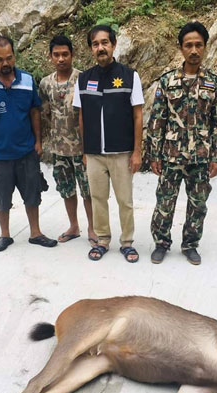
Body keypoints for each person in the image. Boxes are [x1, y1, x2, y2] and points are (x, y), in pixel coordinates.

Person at [147, 22, 217, 265]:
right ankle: (161, 243)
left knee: (198, 205)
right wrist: (154, 155)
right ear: (181, 49)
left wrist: (216, 157)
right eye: (188, 45)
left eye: (198, 45)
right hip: (171, 155)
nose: (193, 50)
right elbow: (157, 119)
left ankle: (190, 245)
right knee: (165, 202)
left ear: (205, 47)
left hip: (201, 157)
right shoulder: (167, 81)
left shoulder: (214, 82)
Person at [0, 35, 57, 252]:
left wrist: (38, 141)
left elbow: (34, 112)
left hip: (27, 150)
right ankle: (5, 235)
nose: (6, 63)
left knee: (32, 192)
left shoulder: (27, 81)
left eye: (9, 58)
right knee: (1, 196)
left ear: (14, 56)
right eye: (0, 59)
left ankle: (35, 233)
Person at [73, 25, 144, 263]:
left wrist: (137, 152)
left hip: (122, 153)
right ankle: (102, 240)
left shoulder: (129, 75)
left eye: (105, 42)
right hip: (94, 153)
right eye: (95, 44)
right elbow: (81, 117)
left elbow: (138, 115)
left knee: (125, 200)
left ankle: (127, 242)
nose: (100, 48)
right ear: (91, 49)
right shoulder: (83, 79)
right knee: (98, 199)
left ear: (113, 45)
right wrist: (85, 151)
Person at [39, 36, 97, 246]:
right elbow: (45, 113)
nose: (61, 59)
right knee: (66, 189)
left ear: (72, 55)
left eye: (65, 54)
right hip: (58, 148)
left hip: (82, 148)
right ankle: (74, 226)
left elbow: (90, 113)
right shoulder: (45, 83)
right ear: (50, 56)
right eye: (56, 55)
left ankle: (92, 227)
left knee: (88, 191)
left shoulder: (83, 79)